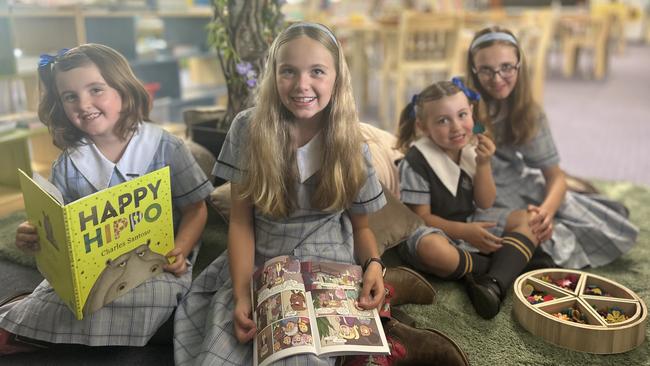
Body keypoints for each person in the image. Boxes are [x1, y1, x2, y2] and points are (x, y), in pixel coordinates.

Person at [173, 23, 467, 366]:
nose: (302, 85)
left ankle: (392, 330)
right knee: (218, 352)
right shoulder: (248, 128)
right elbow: (240, 224)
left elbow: (362, 228)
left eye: (317, 71)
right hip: (261, 261)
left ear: (336, 78)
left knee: (301, 356)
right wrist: (241, 295)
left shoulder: (350, 143)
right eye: (288, 71)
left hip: (329, 260)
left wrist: (373, 264)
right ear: (273, 75)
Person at [0, 44, 213, 354]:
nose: (83, 104)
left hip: (157, 265)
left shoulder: (166, 147)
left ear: (124, 91)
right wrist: (35, 236)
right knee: (71, 298)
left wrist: (179, 250)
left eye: (96, 89)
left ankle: (30, 332)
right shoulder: (69, 164)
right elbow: (62, 227)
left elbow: (195, 209)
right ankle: (26, 323)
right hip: (93, 272)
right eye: (70, 97)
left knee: (151, 300)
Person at [465, 27, 637, 270]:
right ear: (473, 69)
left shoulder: (528, 113)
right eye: (486, 70)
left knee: (581, 217)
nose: (497, 78)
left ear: (519, 65)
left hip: (515, 184)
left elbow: (554, 176)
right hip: (473, 189)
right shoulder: (462, 104)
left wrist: (546, 212)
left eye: (506, 67)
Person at [395, 80, 543, 319]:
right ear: (423, 127)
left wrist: (483, 164)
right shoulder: (416, 161)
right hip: (432, 229)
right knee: (431, 249)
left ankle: (493, 284)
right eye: (443, 120)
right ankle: (506, 265)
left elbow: (485, 203)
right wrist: (466, 232)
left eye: (462, 115)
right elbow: (421, 218)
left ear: (472, 113)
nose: (456, 127)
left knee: (529, 218)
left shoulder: (472, 146)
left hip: (470, 218)